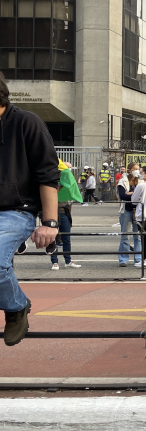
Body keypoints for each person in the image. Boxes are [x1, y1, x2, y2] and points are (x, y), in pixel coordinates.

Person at [0, 70, 60, 345]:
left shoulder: (26, 122)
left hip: (15, 210)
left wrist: (50, 223)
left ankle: (16, 308)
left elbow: (47, 174)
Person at [117, 162, 142, 268]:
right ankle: (123, 259)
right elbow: (123, 196)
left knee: (138, 237)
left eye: (138, 169)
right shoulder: (122, 181)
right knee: (125, 236)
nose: (137, 170)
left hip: (138, 211)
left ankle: (139, 259)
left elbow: (143, 195)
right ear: (129, 170)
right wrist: (135, 194)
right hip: (126, 211)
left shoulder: (141, 181)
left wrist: (131, 193)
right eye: (135, 169)